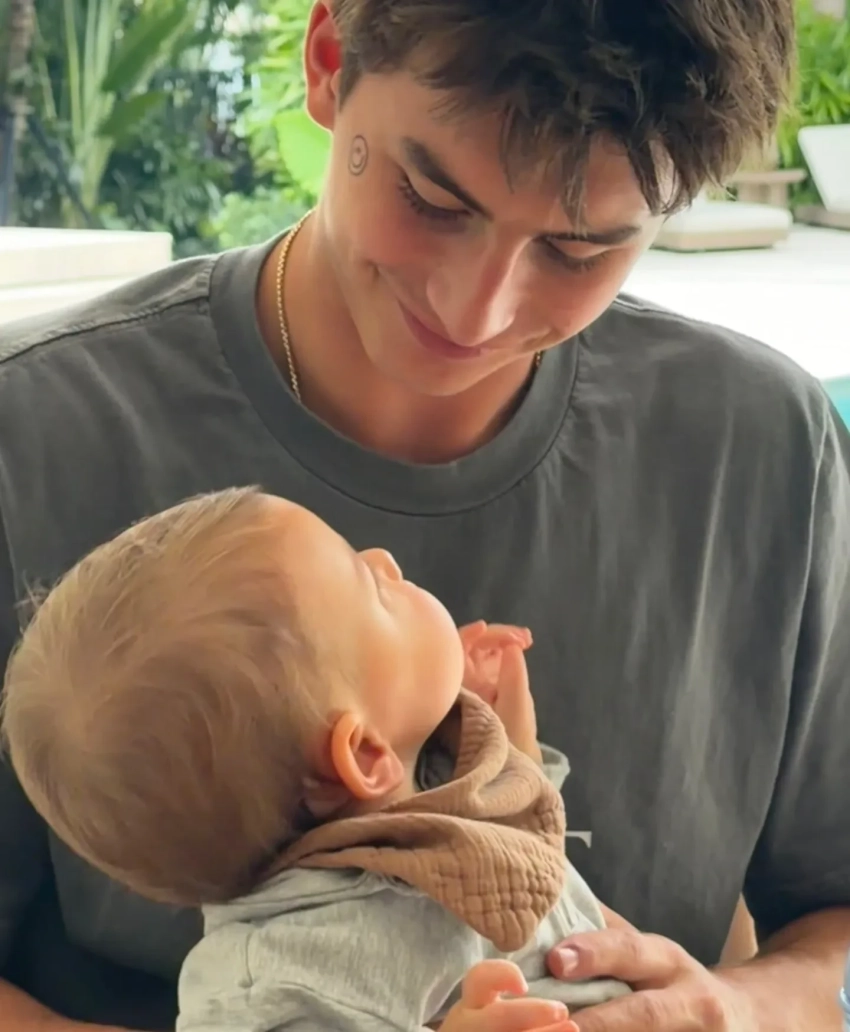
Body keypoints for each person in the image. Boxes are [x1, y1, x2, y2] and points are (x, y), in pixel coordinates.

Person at [0, 0, 847, 1029]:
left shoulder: (762, 445)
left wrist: (736, 1008)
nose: (475, 310)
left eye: (579, 250)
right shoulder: (30, 435)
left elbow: (829, 918)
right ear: (328, 60)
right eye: (431, 197)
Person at [1, 487, 630, 1031]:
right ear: (364, 754)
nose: (384, 558)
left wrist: (510, 747)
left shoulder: (421, 784)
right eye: (373, 590)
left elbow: (518, 852)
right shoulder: (288, 974)